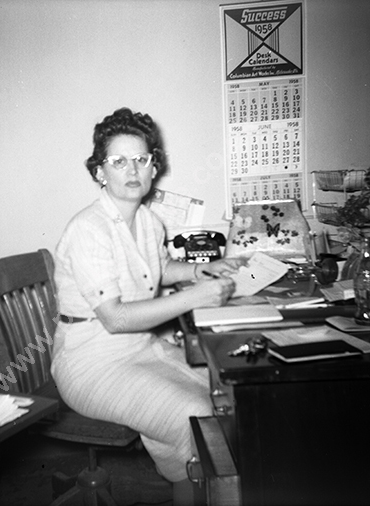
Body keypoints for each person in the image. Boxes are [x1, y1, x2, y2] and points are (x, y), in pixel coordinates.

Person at [51, 107, 244, 505]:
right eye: (118, 161)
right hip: (91, 363)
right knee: (195, 416)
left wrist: (201, 271)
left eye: (141, 159)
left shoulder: (149, 222)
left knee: (226, 393)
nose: (132, 170)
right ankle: (194, 483)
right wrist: (197, 297)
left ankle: (197, 483)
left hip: (140, 347)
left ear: (154, 167)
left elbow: (157, 267)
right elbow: (116, 318)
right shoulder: (88, 229)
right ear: (99, 172)